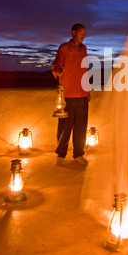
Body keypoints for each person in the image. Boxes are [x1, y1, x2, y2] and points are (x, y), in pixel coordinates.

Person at [52, 23, 90, 166]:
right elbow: (57, 65)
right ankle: (60, 155)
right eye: (81, 33)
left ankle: (78, 154)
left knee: (81, 125)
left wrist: (87, 90)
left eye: (84, 34)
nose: (83, 36)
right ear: (73, 33)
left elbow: (85, 69)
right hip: (68, 93)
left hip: (81, 93)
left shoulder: (84, 49)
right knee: (65, 127)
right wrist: (59, 71)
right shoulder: (64, 48)